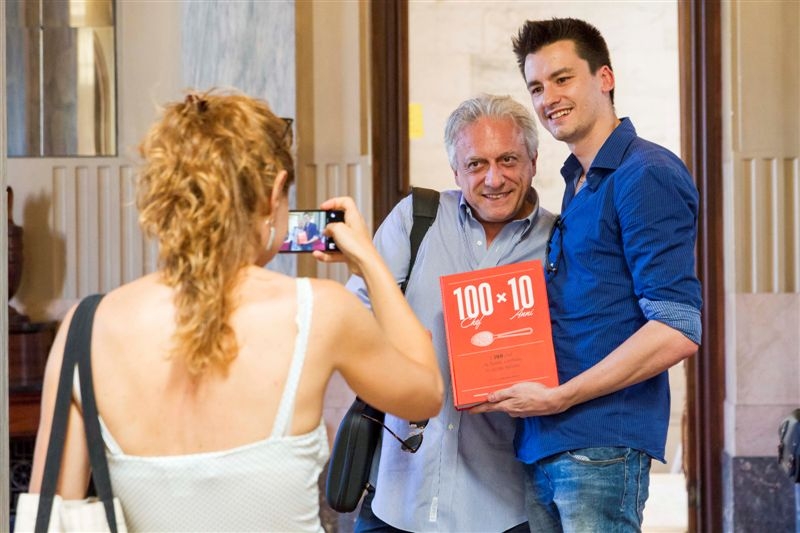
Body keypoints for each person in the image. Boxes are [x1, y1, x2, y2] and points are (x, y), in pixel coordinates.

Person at [27, 90, 443, 532]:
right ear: (275, 192)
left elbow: (52, 514)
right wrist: (370, 262)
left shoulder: (87, 328)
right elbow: (426, 392)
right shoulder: (319, 312)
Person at [471, 18, 703, 532]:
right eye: (536, 87)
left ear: (605, 78)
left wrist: (560, 396)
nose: (548, 97)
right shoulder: (578, 182)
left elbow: (676, 328)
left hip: (599, 445)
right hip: (547, 441)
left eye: (562, 78)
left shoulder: (646, 173)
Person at [347, 93, 557, 532]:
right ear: (455, 171)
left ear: (534, 161)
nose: (494, 178)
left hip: (502, 505)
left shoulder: (559, 240)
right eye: (476, 164)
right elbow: (354, 316)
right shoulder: (416, 219)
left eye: (508, 160)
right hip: (398, 495)